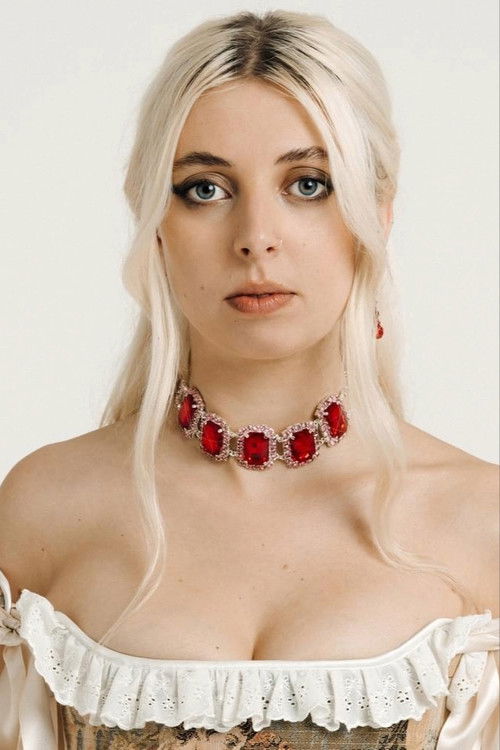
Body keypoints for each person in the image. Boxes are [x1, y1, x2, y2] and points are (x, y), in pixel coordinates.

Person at [0, 9, 498, 749]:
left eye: (309, 184)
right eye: (205, 188)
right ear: (153, 218)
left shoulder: (481, 521)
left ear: (378, 212)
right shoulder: (43, 508)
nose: (255, 238)